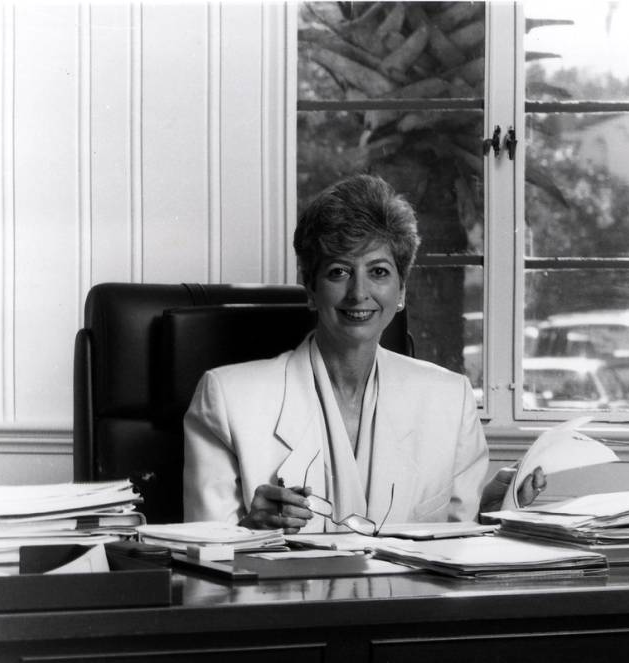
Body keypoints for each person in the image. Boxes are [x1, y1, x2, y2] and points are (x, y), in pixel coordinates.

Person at [183, 174, 543, 531]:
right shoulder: (228, 398)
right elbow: (199, 556)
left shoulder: (449, 399)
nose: (359, 293)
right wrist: (250, 528)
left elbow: (458, 545)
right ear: (310, 289)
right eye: (339, 272)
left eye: (379, 272)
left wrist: (500, 509)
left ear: (401, 291)